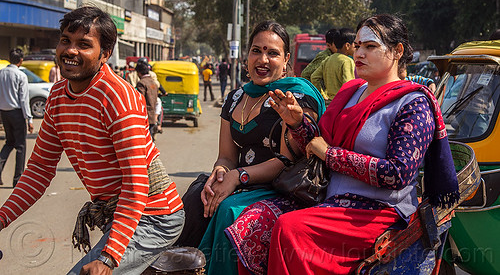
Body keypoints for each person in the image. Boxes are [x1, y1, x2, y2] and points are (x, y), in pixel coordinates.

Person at [230, 14, 459, 275]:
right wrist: (297, 123)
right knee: (250, 225)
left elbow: (398, 173)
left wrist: (330, 155)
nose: (359, 53)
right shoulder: (351, 92)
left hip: (379, 211)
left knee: (289, 229)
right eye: (358, 45)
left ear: (397, 51)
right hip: (330, 199)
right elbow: (317, 144)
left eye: (370, 47)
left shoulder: (412, 104)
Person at [0, 6, 184, 274]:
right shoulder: (57, 97)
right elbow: (39, 170)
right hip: (119, 214)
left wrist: (109, 258)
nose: (71, 51)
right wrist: (2, 217)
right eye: (66, 41)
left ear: (105, 54)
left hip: (154, 217)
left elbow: (136, 183)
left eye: (84, 45)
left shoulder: (118, 98)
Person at [176, 20, 325, 275]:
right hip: (239, 182)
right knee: (196, 197)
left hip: (280, 188)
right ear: (247, 55)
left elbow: (284, 162)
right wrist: (221, 173)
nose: (263, 59)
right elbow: (226, 156)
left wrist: (237, 176)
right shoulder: (235, 97)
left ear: (286, 59)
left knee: (227, 211)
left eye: (272, 53)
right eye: (257, 50)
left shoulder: (295, 98)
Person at [0, 48, 34, 186]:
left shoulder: (1, 73)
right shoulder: (20, 76)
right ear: (21, 61)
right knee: (20, 146)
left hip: (4, 113)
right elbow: (23, 99)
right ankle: (17, 179)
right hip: (17, 113)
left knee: (9, 142)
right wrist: (29, 119)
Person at [311, 28, 356, 102]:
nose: (356, 48)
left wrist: (322, 95)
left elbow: (314, 77)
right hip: (342, 103)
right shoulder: (347, 61)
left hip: (330, 102)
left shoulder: (328, 59)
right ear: (347, 45)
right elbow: (349, 85)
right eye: (355, 45)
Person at [136, 62, 160, 141]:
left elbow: (140, 99)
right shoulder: (153, 83)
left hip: (144, 115)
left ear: (139, 73)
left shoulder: (142, 83)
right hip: (152, 115)